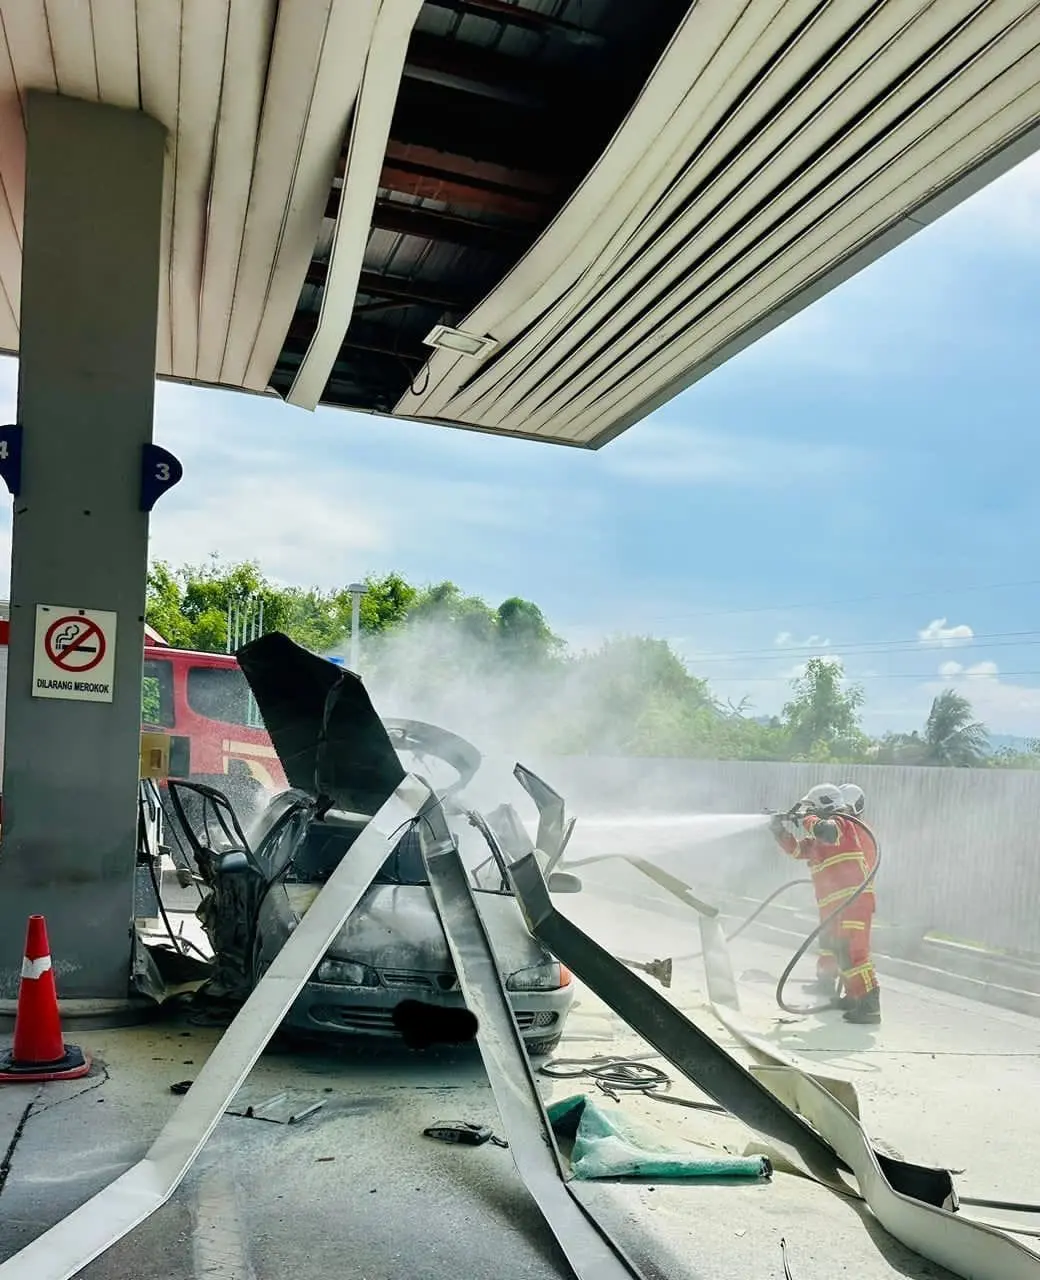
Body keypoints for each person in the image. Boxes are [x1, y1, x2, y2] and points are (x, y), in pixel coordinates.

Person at [769, 781, 880, 1024]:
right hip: (836, 906)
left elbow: (827, 831)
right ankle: (853, 997)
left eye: (812, 808)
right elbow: (797, 851)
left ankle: (870, 1005)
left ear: (825, 807)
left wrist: (807, 817)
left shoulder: (843, 825)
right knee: (840, 951)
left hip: (853, 902)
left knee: (854, 953)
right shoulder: (820, 839)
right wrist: (778, 830)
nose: (809, 814)